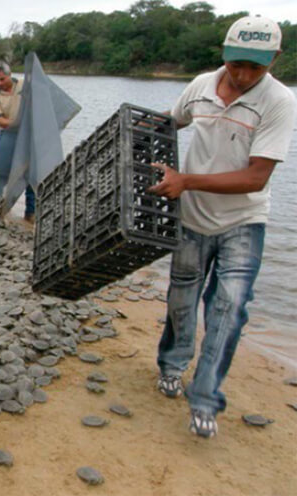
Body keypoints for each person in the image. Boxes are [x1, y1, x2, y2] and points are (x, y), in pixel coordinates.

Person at [150, 15, 296, 439]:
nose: (244, 75)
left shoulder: (279, 102)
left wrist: (185, 181)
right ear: (224, 55)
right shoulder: (200, 86)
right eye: (237, 64)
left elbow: (256, 178)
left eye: (256, 66)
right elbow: (172, 120)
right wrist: (136, 125)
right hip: (193, 217)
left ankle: (206, 398)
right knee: (181, 299)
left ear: (274, 59)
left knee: (228, 310)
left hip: (243, 221)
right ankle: (172, 366)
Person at [0, 61, 36, 224]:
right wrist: (17, 122)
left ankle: (31, 213)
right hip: (8, 134)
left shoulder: (24, 85)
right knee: (0, 172)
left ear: (9, 74)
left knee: (30, 174)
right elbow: (1, 121)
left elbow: (40, 102)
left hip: (28, 135)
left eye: (2, 79)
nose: (0, 83)